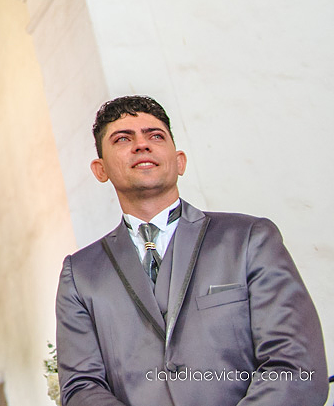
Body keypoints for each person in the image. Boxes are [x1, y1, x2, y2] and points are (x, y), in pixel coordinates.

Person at [55, 95, 327, 405]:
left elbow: (295, 365)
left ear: (180, 161)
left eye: (155, 136)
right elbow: (81, 387)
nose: (142, 145)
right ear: (100, 169)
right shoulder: (80, 274)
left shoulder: (249, 239)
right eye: (123, 139)